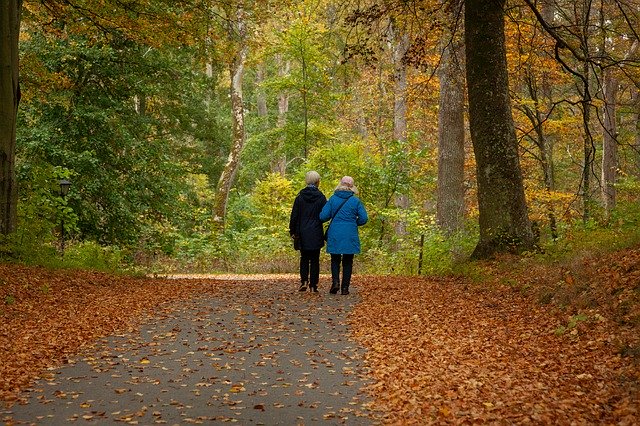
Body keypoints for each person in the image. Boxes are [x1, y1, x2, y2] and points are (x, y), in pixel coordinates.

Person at [320, 176, 368, 295]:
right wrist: (354, 223)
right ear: (352, 187)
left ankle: (335, 282)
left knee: (335, 259)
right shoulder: (355, 201)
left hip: (335, 232)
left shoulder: (332, 199)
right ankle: (345, 288)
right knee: (348, 261)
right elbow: (364, 218)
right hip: (350, 233)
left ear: (340, 185)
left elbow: (323, 217)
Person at [289, 171, 327, 292]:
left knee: (304, 257)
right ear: (317, 182)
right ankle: (313, 285)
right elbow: (325, 214)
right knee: (315, 259)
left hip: (302, 231)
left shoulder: (300, 196)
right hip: (316, 231)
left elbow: (294, 215)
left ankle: (304, 281)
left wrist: (292, 230)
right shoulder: (321, 197)